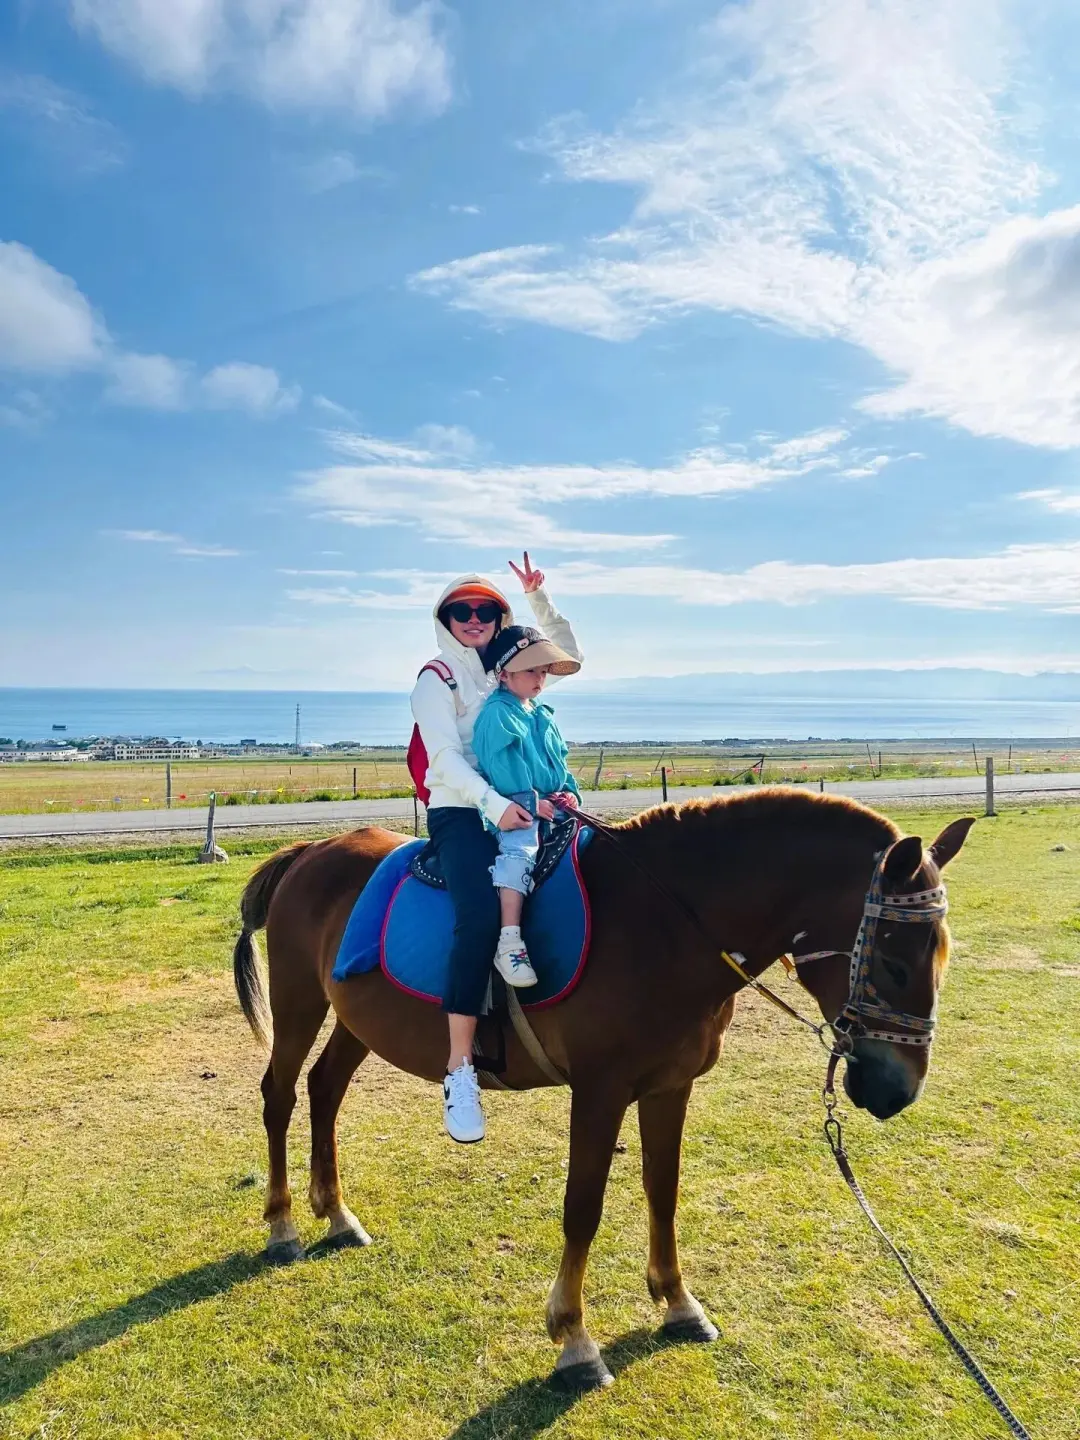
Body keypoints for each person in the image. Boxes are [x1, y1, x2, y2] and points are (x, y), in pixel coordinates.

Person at [409, 554, 583, 1144]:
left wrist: (538, 598)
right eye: (462, 611)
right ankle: (459, 1069)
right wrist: (493, 803)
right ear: (445, 620)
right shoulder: (435, 679)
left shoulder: (508, 666)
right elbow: (443, 760)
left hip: (523, 800)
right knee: (480, 917)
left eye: (486, 610)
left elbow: (564, 653)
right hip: (462, 808)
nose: (474, 619)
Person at [470, 625, 581, 989]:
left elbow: (559, 764)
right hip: (515, 812)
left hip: (556, 808)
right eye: (531, 670)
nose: (540, 678)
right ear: (504, 674)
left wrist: (569, 793)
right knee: (520, 851)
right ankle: (509, 941)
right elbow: (504, 773)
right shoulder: (498, 715)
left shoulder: (541, 714)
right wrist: (534, 804)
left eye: (543, 671)